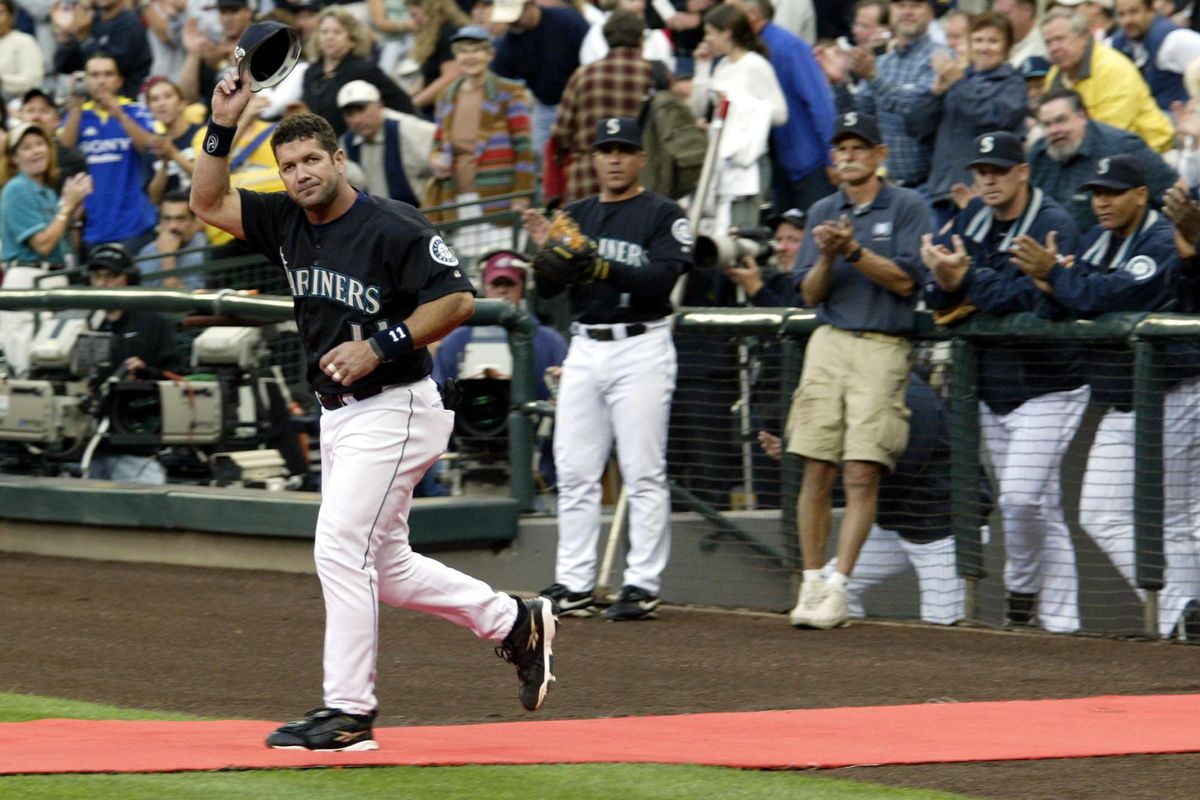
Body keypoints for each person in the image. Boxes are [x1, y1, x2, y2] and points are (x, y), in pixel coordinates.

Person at [191, 72, 558, 751]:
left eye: (310, 160)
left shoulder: (391, 224)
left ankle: (349, 710)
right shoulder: (285, 219)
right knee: (383, 564)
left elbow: (457, 301)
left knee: (338, 546)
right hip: (344, 415)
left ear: (338, 160)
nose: (300, 173)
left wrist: (380, 345)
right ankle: (513, 622)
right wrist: (222, 123)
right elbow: (207, 200)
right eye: (288, 165)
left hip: (397, 405)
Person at [1012, 154, 1200, 640]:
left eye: (1113, 192)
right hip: (1124, 398)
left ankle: (1183, 623)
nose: (1102, 201)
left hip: (1174, 393)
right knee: (1098, 512)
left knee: (1178, 522)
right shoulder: (1100, 239)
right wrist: (1051, 282)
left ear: (1141, 195)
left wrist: (1061, 278)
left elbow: (1112, 296)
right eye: (1097, 193)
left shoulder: (1158, 239)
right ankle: (1184, 614)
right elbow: (1058, 303)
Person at [521, 117, 692, 621]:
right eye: (605, 149)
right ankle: (574, 582)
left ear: (641, 158)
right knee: (574, 470)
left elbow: (662, 282)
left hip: (641, 344)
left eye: (624, 149)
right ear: (593, 159)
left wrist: (600, 267)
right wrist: (547, 256)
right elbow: (547, 293)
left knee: (642, 470)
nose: (614, 158)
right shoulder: (575, 213)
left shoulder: (662, 213)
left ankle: (641, 582)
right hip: (586, 345)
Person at [921, 131, 1087, 632]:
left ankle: (1020, 589)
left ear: (1023, 171)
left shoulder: (1054, 222)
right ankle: (1062, 625)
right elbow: (937, 289)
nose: (988, 179)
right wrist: (954, 283)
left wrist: (968, 282)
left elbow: (1036, 301)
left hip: (1050, 384)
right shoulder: (973, 216)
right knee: (1041, 506)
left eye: (999, 170)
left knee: (1019, 498)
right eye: (982, 171)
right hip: (994, 389)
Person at [782, 111, 929, 631]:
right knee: (816, 466)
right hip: (829, 340)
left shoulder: (907, 205)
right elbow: (809, 292)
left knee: (862, 469)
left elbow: (908, 282)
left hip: (882, 343)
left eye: (858, 148)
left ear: (879, 155)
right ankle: (812, 580)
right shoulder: (823, 208)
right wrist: (827, 256)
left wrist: (853, 250)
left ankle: (840, 586)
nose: (848, 156)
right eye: (841, 148)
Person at [762, 372, 967, 626]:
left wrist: (827, 472)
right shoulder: (853, 391)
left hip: (943, 529)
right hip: (893, 527)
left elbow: (888, 477)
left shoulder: (912, 398)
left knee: (943, 624)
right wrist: (805, 455)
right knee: (825, 597)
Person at [423, 25, 534, 256]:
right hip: (457, 198)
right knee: (465, 266)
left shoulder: (510, 92)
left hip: (499, 198)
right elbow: (438, 142)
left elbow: (524, 149)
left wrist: (521, 195)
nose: (470, 57)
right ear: (456, 56)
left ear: (490, 55)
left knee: (500, 261)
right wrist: (435, 159)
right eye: (463, 51)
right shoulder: (447, 96)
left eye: (476, 50)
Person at [907, 12, 1027, 226]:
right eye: (978, 40)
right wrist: (935, 92)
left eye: (993, 41)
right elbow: (917, 127)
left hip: (986, 194)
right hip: (943, 191)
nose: (984, 47)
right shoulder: (958, 79)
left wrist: (959, 83)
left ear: (1007, 47)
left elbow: (992, 119)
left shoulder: (1013, 84)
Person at [84, 243, 186, 485]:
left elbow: (177, 376)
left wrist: (145, 373)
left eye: (112, 276)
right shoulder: (83, 322)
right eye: (97, 276)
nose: (103, 284)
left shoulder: (152, 322)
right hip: (86, 443)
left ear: (128, 278)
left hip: (136, 445)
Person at [0, 122, 92, 378]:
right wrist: (66, 207)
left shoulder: (48, 193)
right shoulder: (17, 189)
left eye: (40, 144)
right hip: (27, 278)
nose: (36, 151)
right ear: (15, 158)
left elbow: (67, 248)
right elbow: (42, 244)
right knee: (28, 365)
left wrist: (74, 212)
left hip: (53, 276)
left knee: (53, 359)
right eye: (26, 147)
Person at [833, 0, 952, 191]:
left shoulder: (941, 58)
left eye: (916, 5)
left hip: (929, 186)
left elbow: (918, 110)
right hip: (888, 186)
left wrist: (873, 77)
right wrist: (840, 81)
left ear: (931, 13)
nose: (907, 12)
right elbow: (860, 118)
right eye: (900, 5)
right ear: (891, 12)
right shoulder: (883, 63)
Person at [690, 2, 787, 230]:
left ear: (727, 33)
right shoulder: (721, 66)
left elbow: (781, 114)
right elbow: (698, 109)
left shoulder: (756, 65)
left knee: (739, 232)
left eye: (710, 33)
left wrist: (737, 105)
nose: (707, 39)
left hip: (748, 164)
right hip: (719, 160)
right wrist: (702, 68)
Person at [738, 0, 837, 217]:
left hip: (809, 163)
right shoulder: (747, 53)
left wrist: (832, 157)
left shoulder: (789, 46)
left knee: (819, 236)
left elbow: (821, 104)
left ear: (752, 16)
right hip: (777, 165)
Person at [1029, 88, 1177, 232]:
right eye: (1047, 124)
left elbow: (1175, 193)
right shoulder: (1039, 154)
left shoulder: (1122, 147)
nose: (1054, 130)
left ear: (1082, 116)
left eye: (1061, 120)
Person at [58, 52, 162, 255]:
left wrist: (120, 115)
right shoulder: (77, 115)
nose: (101, 81)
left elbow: (150, 147)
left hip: (135, 224)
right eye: (94, 75)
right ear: (86, 80)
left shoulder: (135, 110)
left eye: (107, 74)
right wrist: (77, 108)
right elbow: (65, 149)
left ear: (119, 80)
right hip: (92, 226)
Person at [551, 9, 655, 203]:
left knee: (583, 233)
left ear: (606, 39)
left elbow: (560, 134)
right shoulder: (653, 74)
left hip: (586, 178)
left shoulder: (582, 75)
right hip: (638, 180)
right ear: (641, 40)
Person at [1041, 7, 1174, 152]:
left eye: (1060, 39)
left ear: (1084, 37)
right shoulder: (1054, 75)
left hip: (1147, 151)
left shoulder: (1112, 68)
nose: (1054, 48)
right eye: (1048, 43)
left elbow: (1112, 134)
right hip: (1087, 153)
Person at [489, 0, 589, 160]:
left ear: (531, 6)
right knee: (537, 154)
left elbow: (592, 60)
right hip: (545, 105)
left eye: (516, 16)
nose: (512, 22)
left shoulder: (566, 20)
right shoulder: (508, 43)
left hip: (580, 103)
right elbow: (498, 84)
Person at [300, 6, 415, 138]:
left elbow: (402, 104)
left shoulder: (364, 70)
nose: (329, 37)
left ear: (352, 39)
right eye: (324, 32)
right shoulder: (310, 72)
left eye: (337, 32)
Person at [337, 79, 434, 206]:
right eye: (349, 114)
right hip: (374, 221)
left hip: (419, 216)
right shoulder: (347, 143)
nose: (357, 120)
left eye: (361, 110)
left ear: (379, 105)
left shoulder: (406, 128)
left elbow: (443, 149)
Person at [51, 0, 153, 98]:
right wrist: (66, 36)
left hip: (125, 103)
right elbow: (63, 66)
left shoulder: (130, 23)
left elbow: (112, 66)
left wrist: (84, 38)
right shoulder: (90, 21)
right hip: (92, 104)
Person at [1111, 0, 1200, 111]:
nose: (1127, 20)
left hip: (1177, 118)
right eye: (1121, 14)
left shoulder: (1173, 39)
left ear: (1151, 11)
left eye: (1133, 12)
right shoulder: (1118, 42)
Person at [721, 206, 805, 307]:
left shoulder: (818, 287)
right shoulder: (776, 281)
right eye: (778, 240)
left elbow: (793, 320)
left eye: (792, 239)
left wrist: (756, 289)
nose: (781, 248)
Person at [143, 76, 203, 205]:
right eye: (155, 99)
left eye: (168, 96)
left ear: (182, 103)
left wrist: (173, 154)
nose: (161, 104)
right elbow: (154, 199)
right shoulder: (153, 148)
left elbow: (208, 180)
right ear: (150, 110)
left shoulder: (203, 133)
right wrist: (165, 164)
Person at [17, 88, 88, 191]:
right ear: (20, 117)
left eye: (44, 111)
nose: (36, 117)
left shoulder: (73, 159)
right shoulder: (9, 155)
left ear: (57, 121)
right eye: (30, 110)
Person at [405, 0, 469, 114]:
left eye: (414, 15)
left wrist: (414, 104)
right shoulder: (435, 34)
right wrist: (407, 98)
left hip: (446, 110)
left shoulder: (449, 32)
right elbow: (428, 74)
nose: (413, 21)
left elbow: (450, 77)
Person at [138, 189, 209, 289]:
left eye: (181, 219)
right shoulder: (147, 252)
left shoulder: (207, 251)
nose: (173, 226)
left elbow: (191, 302)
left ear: (194, 222)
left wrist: (168, 258)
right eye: (167, 219)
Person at [0, 0, 44, 97]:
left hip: (17, 103)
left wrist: (3, 81)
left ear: (11, 16)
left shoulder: (24, 41)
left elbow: (33, 81)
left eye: (0, 13)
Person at [996, 0, 1048, 69]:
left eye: (1005, 14)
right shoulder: (999, 42)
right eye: (998, 15)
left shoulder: (1041, 51)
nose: (999, 21)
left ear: (1027, 10)